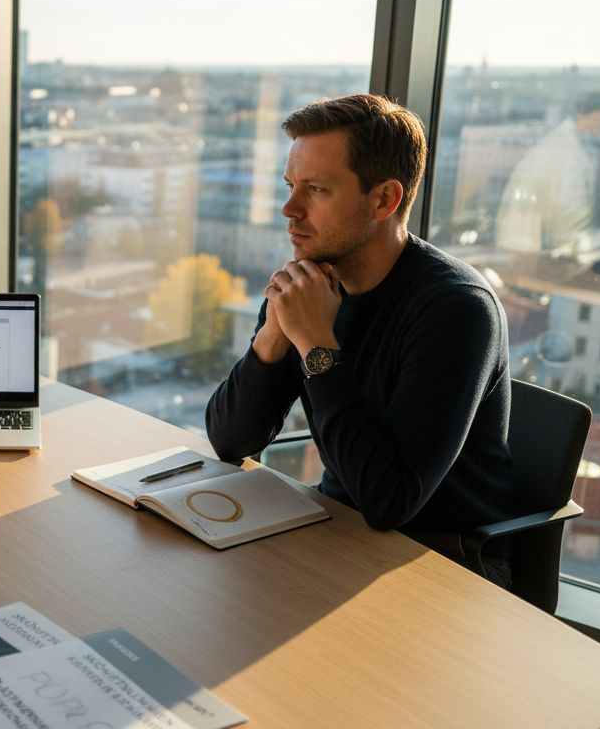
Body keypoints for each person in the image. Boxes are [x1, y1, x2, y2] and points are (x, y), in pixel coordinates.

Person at [205, 94, 516, 585]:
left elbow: (389, 501)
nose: (289, 209)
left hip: (443, 563)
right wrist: (273, 336)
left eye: (316, 190)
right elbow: (230, 440)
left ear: (384, 200)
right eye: (290, 186)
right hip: (340, 530)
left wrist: (316, 344)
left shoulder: (458, 310)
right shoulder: (308, 288)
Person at [495, 91, 600, 256]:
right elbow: (568, 228)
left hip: (530, 245)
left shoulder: (573, 143)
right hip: (534, 251)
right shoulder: (566, 151)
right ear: (588, 112)